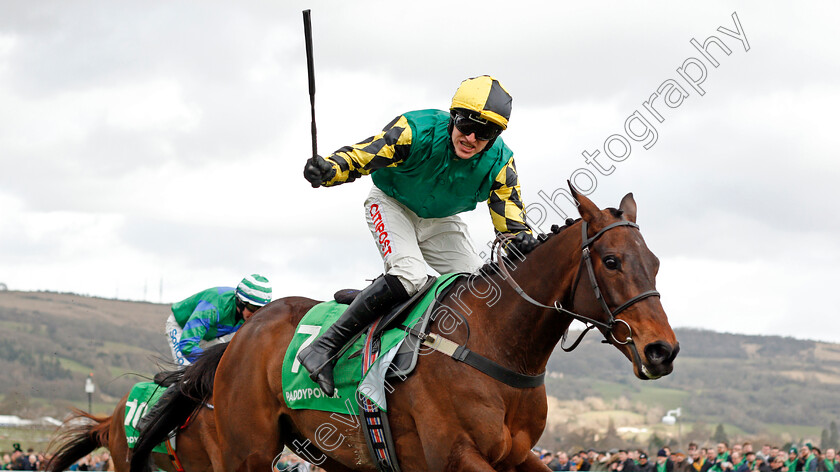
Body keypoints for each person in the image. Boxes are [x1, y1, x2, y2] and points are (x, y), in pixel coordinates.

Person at [297, 75, 536, 395]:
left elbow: (511, 225)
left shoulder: (501, 162)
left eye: (486, 132)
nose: (472, 137)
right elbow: (363, 155)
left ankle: (395, 312)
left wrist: (523, 242)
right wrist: (329, 169)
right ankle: (323, 348)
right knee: (410, 275)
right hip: (391, 204)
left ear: (496, 136)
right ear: (453, 116)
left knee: (477, 291)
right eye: (466, 124)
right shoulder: (415, 130)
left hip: (440, 220)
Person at [166, 274, 272, 365]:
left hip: (210, 336)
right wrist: (208, 365)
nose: (255, 314)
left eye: (261, 309)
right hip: (182, 328)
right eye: (253, 308)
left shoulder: (252, 315)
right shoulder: (212, 307)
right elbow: (187, 346)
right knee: (188, 373)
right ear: (240, 301)